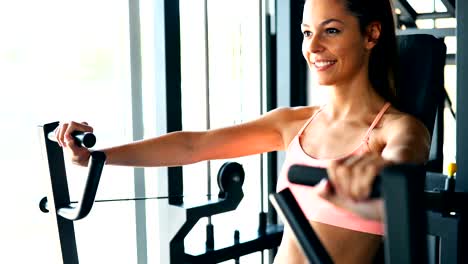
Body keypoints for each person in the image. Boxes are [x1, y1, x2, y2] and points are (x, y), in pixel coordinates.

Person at [55, 0, 430, 263]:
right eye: (306, 32)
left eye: (330, 31)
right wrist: (97, 157)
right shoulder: (295, 123)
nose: (313, 47)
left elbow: (403, 162)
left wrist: (378, 175)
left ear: (371, 35)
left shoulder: (395, 130)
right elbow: (193, 145)